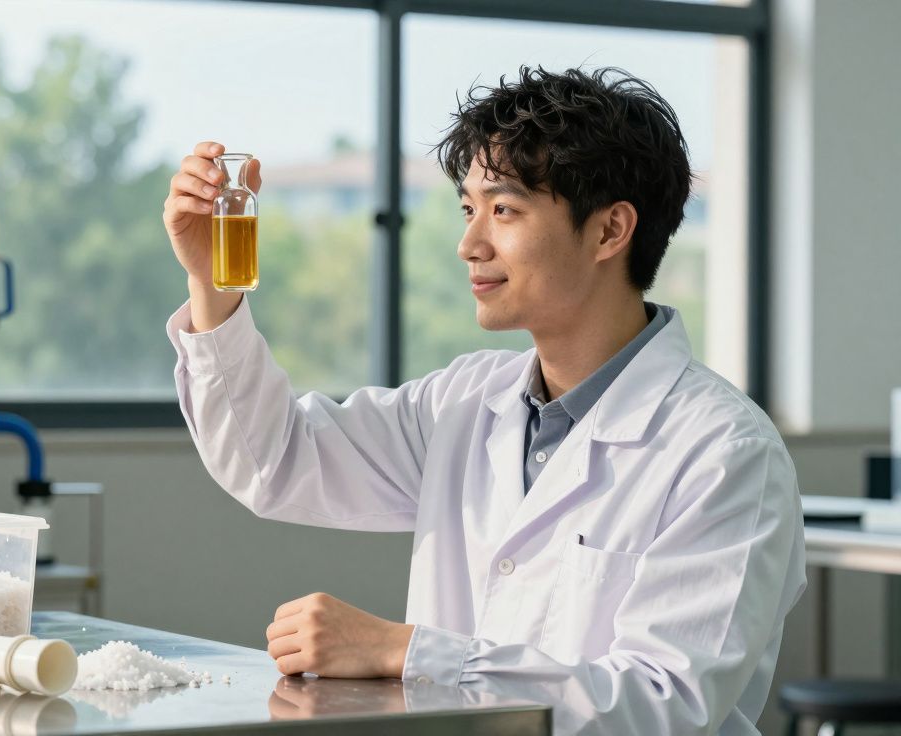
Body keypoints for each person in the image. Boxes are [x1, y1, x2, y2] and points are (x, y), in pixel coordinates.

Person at [161, 66, 805, 734]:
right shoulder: (465, 403)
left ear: (610, 231)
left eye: (504, 210)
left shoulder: (726, 455)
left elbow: (662, 704)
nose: (470, 245)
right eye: (468, 210)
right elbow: (275, 461)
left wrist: (404, 651)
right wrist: (212, 285)